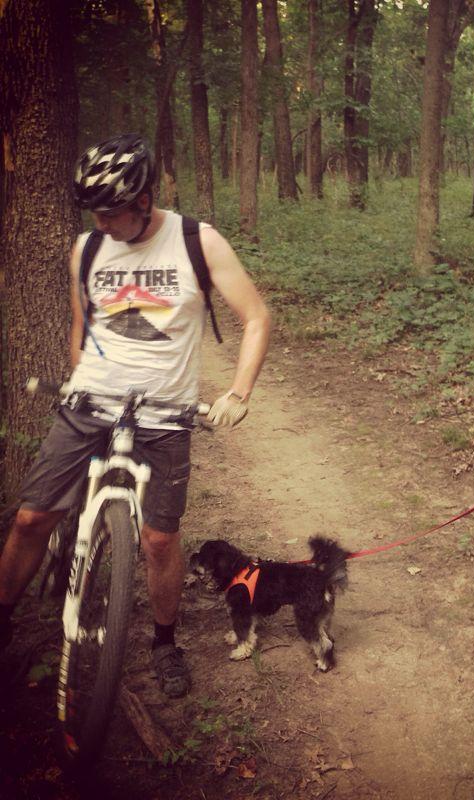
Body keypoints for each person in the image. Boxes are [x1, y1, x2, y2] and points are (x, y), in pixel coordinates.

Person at [0, 134, 271, 698]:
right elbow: (84, 325)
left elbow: (257, 318)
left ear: (145, 199)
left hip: (166, 413)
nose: (103, 222)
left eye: (113, 211)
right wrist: (77, 381)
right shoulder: (88, 249)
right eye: (95, 212)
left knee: (158, 541)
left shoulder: (198, 241)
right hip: (90, 403)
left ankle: (164, 643)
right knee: (30, 519)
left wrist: (238, 393)